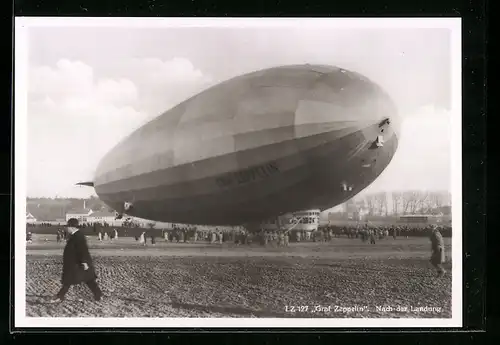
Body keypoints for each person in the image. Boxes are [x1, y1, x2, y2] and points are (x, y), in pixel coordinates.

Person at [49, 218, 102, 303]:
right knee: (88, 280)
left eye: (67, 226)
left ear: (71, 227)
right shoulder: (76, 235)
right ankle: (98, 295)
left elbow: (83, 249)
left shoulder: (78, 236)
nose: (66, 228)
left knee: (69, 280)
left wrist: (84, 262)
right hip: (76, 262)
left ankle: (60, 296)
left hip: (77, 263)